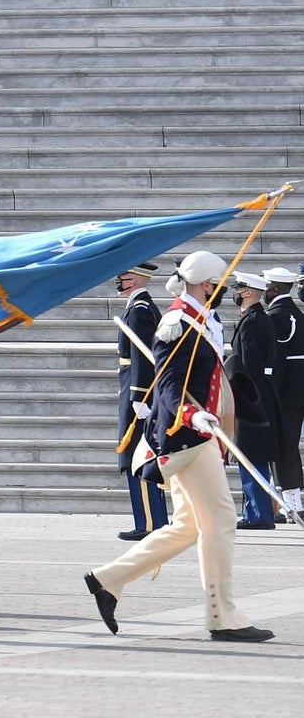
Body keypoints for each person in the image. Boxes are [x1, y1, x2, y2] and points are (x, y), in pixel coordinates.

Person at [84, 251, 274, 643]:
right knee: (220, 519)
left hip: (201, 433)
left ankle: (109, 579)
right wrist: (191, 414)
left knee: (188, 526)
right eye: (219, 284)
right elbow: (168, 383)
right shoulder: (177, 322)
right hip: (187, 436)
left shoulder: (200, 319)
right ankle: (223, 616)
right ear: (206, 284)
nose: (223, 290)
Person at [113, 261, 168, 541]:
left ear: (134, 280)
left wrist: (139, 395)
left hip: (137, 391)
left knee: (138, 454)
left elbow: (142, 355)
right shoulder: (138, 307)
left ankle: (149, 522)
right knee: (139, 453)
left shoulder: (140, 310)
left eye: (122, 276)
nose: (118, 280)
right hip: (133, 386)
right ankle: (152, 520)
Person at [226, 272, 280, 530]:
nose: (235, 294)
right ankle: (257, 512)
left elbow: (247, 368)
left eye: (238, 290)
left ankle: (258, 514)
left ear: (247, 292)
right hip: (257, 398)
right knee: (253, 456)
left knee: (251, 457)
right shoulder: (257, 319)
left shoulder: (252, 322)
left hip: (250, 400)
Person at [261, 267, 304, 515]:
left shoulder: (277, 317)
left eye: (266, 288)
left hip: (286, 392)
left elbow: (276, 360)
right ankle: (284, 501)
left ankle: (292, 504)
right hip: (296, 391)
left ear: (274, 289)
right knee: (286, 446)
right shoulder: (296, 314)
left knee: (283, 446)